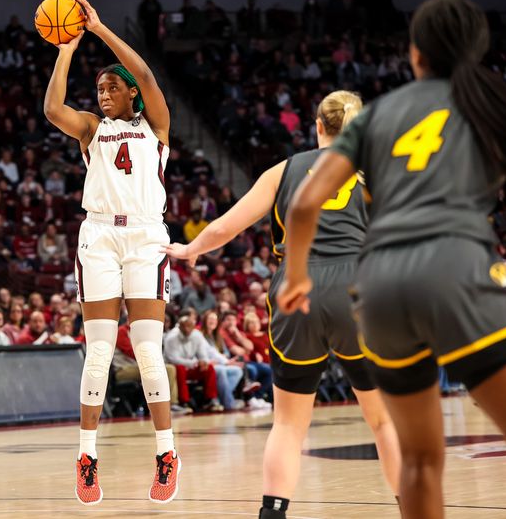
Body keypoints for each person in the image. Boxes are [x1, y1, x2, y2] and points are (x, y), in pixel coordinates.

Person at [276, 0, 506, 519]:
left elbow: (304, 203)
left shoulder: (380, 115)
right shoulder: (489, 100)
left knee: (418, 460)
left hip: (381, 289)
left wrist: (296, 276)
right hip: (456, 265)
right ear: (478, 49)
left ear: (416, 54)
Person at [163, 89, 402, 519]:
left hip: (296, 285)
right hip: (356, 286)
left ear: (317, 126)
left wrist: (189, 249)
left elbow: (225, 227)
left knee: (289, 425)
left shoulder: (285, 170)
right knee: (383, 420)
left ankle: (272, 514)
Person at [44, 0, 179, 505]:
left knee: (147, 351)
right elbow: (53, 108)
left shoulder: (156, 126)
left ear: (130, 96)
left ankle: (166, 453)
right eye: (98, 88)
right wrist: (66, 47)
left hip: (146, 237)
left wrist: (99, 30)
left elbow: (145, 74)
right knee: (98, 352)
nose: (102, 94)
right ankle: (86, 457)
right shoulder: (93, 130)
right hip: (99, 236)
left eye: (110, 88)